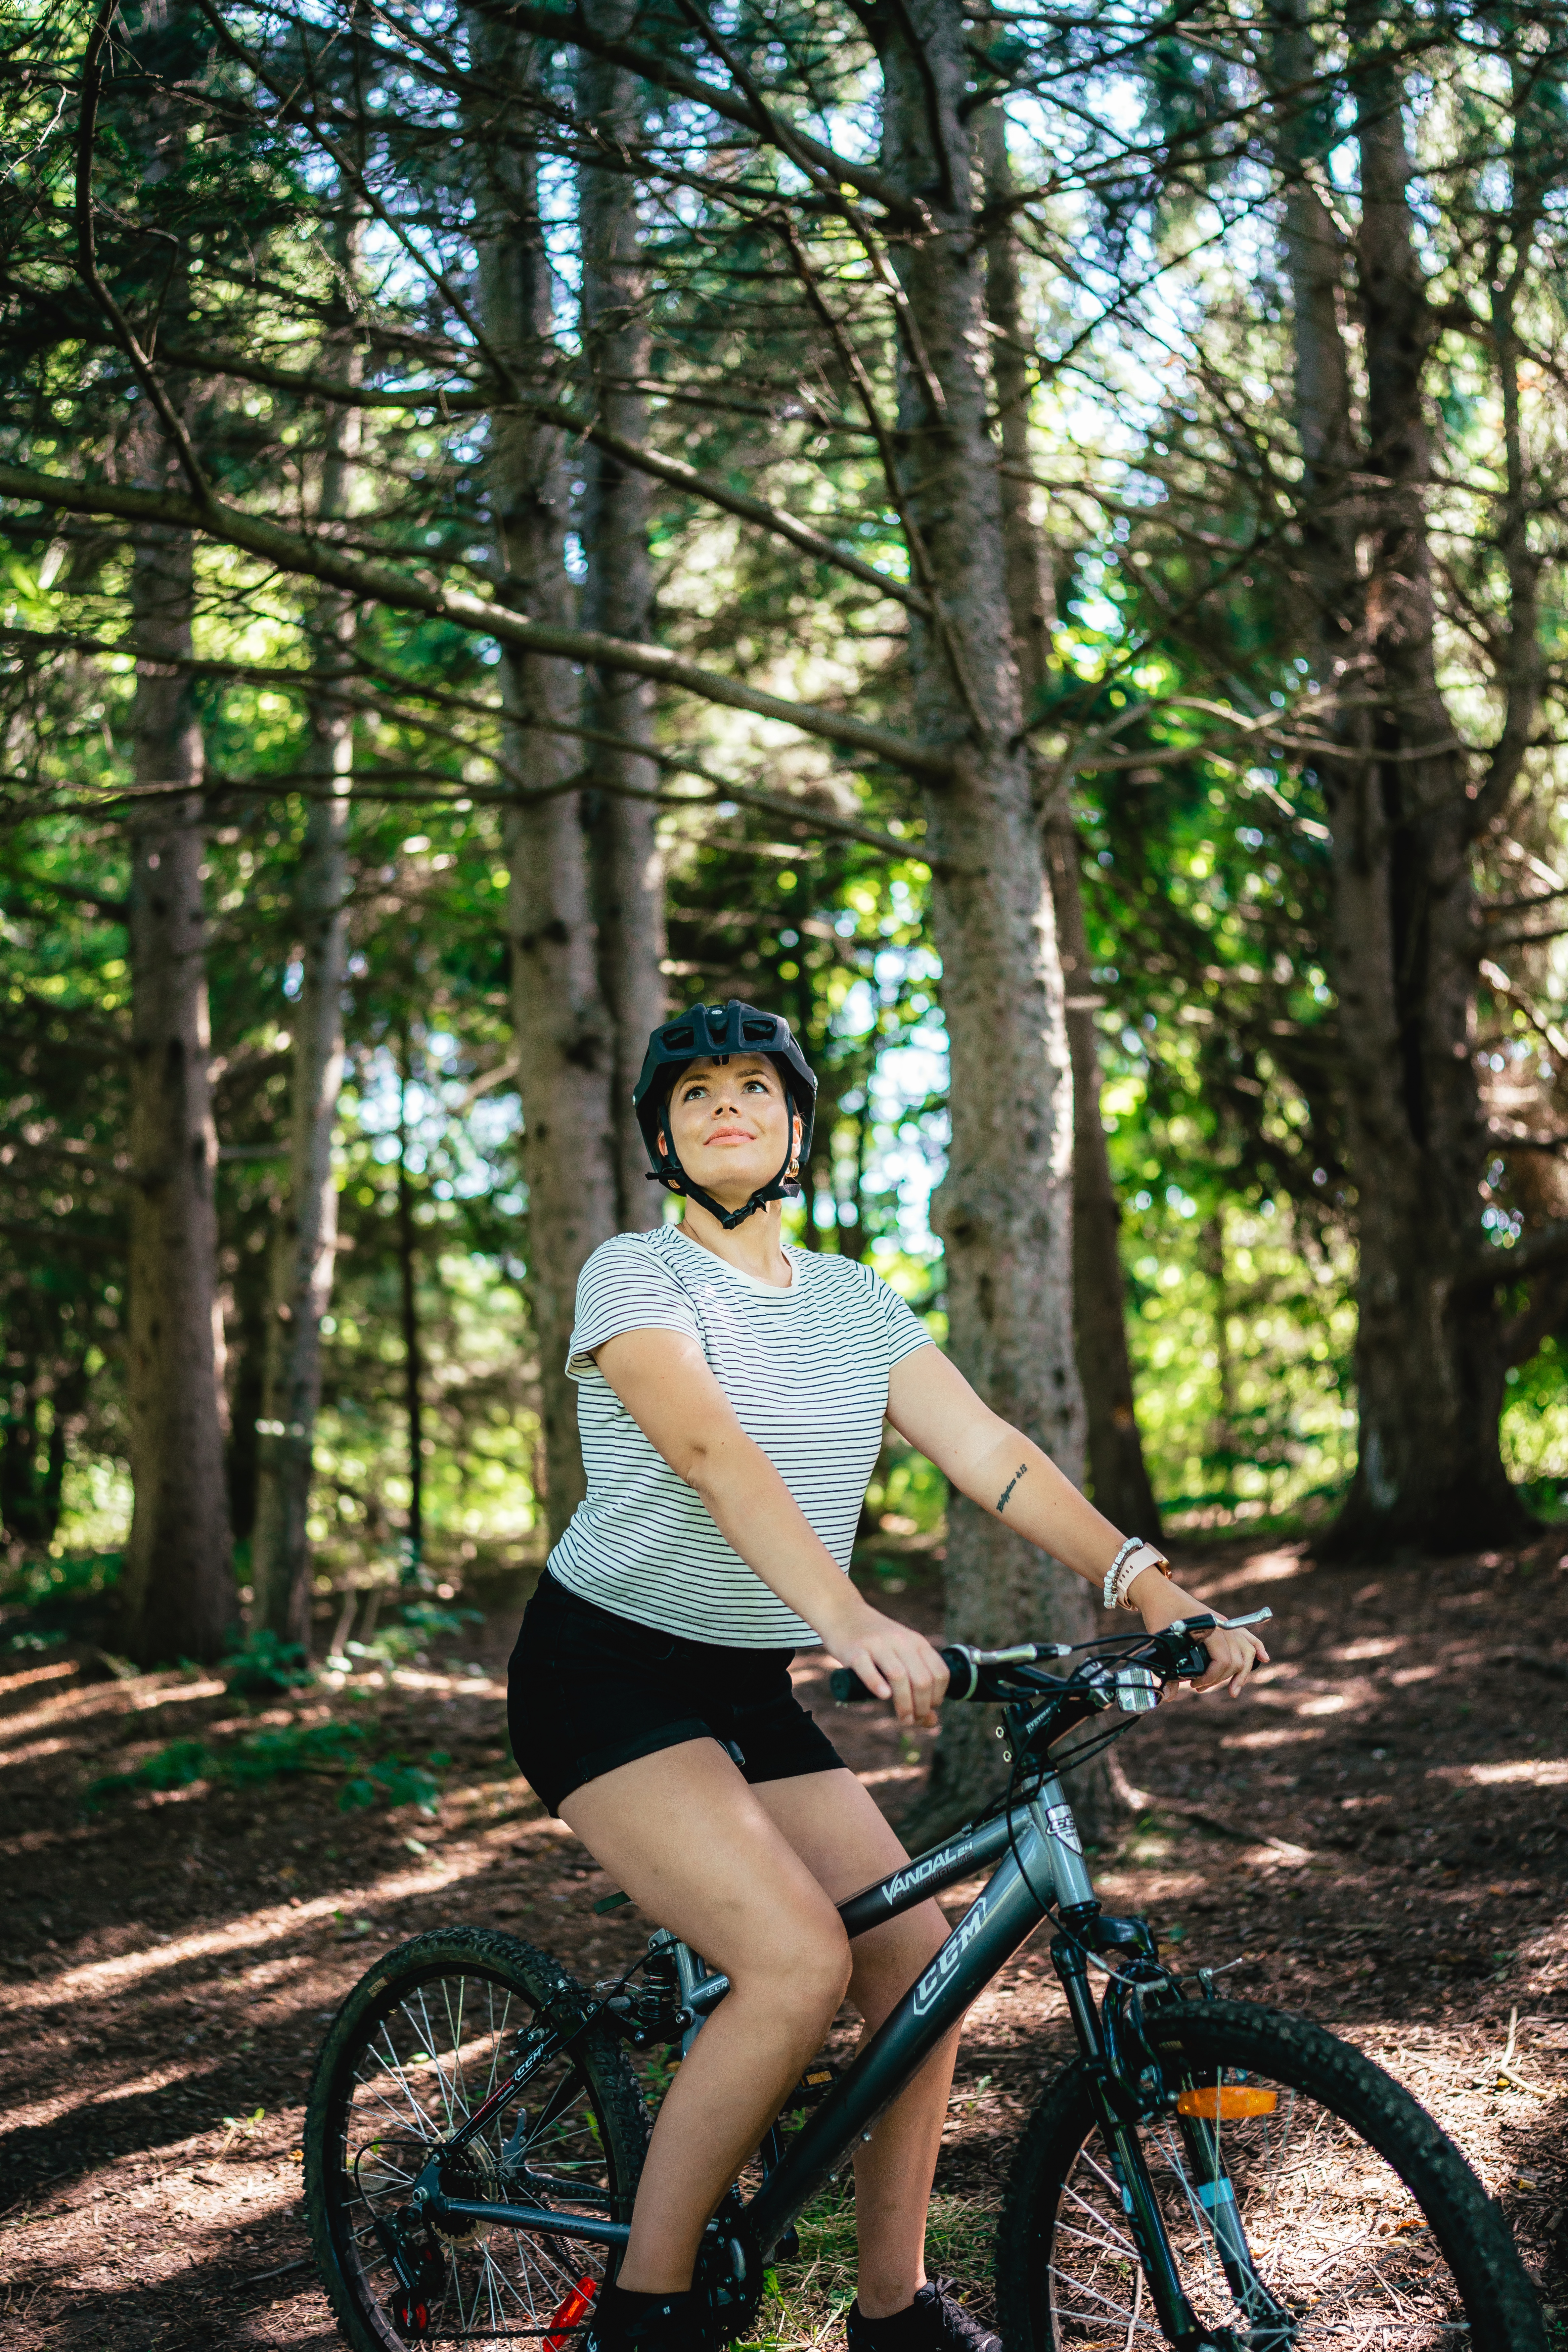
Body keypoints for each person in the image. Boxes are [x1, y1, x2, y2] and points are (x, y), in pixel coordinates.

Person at [508, 1000, 1266, 2352]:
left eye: (756, 1085)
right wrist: (849, 1616)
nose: (727, 1105)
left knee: (918, 1965)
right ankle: (648, 2311)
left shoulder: (853, 1299)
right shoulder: (635, 1274)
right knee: (793, 1960)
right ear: (663, 1139)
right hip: (603, 1673)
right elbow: (710, 1449)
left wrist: (1150, 1584)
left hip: (744, 1682)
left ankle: (894, 2312)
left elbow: (990, 1452)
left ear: (796, 1126)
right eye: (695, 1092)